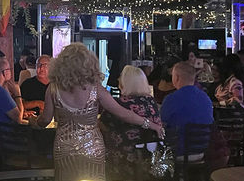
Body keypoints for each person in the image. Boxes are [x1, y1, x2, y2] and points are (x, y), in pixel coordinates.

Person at [32, 43, 164, 181]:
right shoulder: (96, 89)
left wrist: (34, 122)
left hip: (64, 148)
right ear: (88, 64)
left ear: (60, 65)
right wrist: (151, 125)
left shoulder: (52, 89)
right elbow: (124, 114)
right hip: (93, 148)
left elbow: (45, 120)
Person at [99, 65, 162, 181]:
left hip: (125, 160)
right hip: (150, 158)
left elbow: (101, 125)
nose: (118, 80)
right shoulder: (151, 102)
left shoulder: (119, 104)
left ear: (124, 83)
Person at [160, 61, 214, 158]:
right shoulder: (206, 98)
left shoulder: (171, 99)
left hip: (177, 152)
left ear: (176, 77)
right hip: (203, 151)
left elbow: (161, 124)